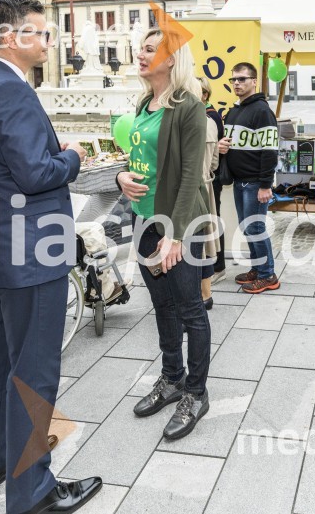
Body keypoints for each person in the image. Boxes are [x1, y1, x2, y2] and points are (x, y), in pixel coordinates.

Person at [0, 0, 101, 514]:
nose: (48, 42)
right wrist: (74, 157)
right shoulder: (11, 93)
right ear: (10, 38)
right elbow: (36, 174)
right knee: (33, 373)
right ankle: (33, 491)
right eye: (39, 33)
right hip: (30, 254)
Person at [115, 28, 213, 439]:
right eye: (140, 48)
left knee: (191, 308)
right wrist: (121, 176)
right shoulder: (143, 103)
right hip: (144, 220)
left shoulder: (188, 107)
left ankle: (195, 391)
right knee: (161, 306)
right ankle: (171, 378)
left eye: (150, 49)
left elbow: (192, 174)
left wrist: (173, 235)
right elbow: (136, 157)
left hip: (178, 222)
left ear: (172, 59)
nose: (140, 54)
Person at [218, 62, 280, 293]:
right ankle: (258, 268)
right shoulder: (235, 110)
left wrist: (265, 185)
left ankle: (268, 275)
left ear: (254, 81)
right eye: (233, 79)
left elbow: (270, 150)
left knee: (255, 228)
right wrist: (222, 146)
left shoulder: (262, 111)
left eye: (242, 79)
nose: (237, 83)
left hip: (255, 182)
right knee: (248, 228)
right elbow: (234, 143)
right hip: (240, 181)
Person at [199, 76, 226, 295]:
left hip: (197, 187)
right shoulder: (211, 119)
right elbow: (215, 160)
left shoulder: (208, 118)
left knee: (199, 236)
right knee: (207, 234)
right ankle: (206, 290)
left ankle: (214, 272)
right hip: (207, 182)